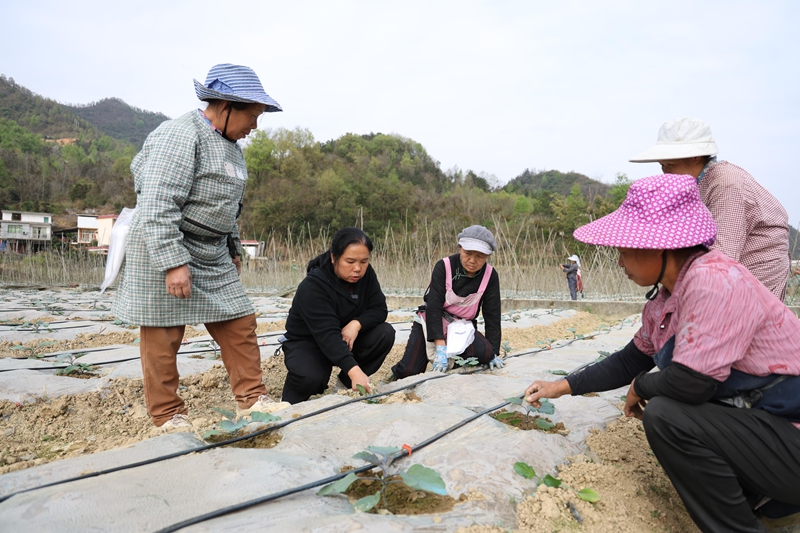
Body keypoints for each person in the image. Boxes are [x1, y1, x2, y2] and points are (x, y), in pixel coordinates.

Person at [524, 174, 800, 532]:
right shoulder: (666, 300)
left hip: (789, 433)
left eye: (624, 250)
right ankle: (762, 503)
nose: (620, 261)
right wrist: (558, 387)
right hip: (765, 432)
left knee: (668, 415)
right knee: (671, 408)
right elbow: (629, 359)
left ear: (658, 247)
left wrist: (642, 386)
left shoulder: (715, 281)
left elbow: (692, 384)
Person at [111, 64, 285, 430]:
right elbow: (158, 201)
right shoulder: (179, 135)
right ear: (225, 105)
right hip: (166, 242)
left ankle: (252, 399)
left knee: (239, 320)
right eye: (252, 115)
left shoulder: (232, 148)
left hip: (212, 249)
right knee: (164, 331)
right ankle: (167, 414)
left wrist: (234, 247)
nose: (255, 125)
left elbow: (229, 206)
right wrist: (173, 262)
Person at [630, 117, 790, 300]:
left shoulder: (726, 183)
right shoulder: (696, 185)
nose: (666, 172)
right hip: (727, 276)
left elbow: (722, 256)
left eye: (671, 165)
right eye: (663, 166)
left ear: (695, 157)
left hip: (753, 276)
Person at [281, 227, 396, 404]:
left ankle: (344, 386)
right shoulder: (313, 285)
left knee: (384, 333)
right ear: (334, 257)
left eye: (364, 262)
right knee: (311, 378)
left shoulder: (366, 276)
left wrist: (356, 324)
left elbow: (379, 309)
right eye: (350, 261)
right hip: (310, 342)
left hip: (347, 337)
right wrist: (355, 371)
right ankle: (290, 403)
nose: (357, 268)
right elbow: (328, 336)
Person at [391, 225, 504, 379]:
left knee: (486, 352)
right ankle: (396, 374)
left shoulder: (490, 275)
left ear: (487, 256)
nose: (472, 260)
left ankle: (455, 365)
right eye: (468, 253)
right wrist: (440, 348)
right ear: (460, 249)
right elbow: (434, 307)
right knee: (409, 371)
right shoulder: (444, 266)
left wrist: (494, 353)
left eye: (480, 256)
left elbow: (493, 316)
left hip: (462, 327)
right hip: (432, 319)